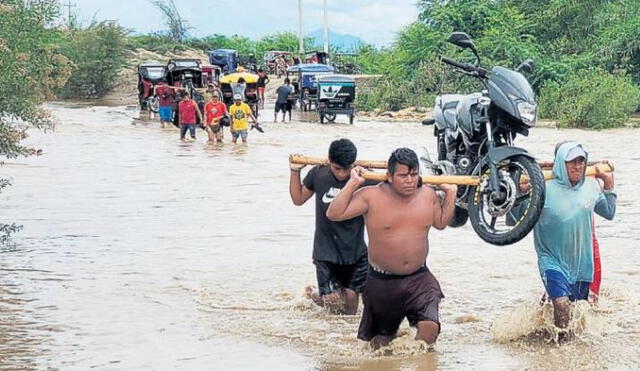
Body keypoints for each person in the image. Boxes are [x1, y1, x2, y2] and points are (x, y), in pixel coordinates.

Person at [326, 148, 457, 348]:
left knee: (430, 327)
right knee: (380, 344)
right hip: (381, 281)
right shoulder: (370, 196)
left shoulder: (428, 195)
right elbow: (334, 214)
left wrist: (451, 195)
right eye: (403, 176)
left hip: (419, 278)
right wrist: (353, 183)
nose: (410, 181)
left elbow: (440, 223)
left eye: (414, 175)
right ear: (389, 176)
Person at [532, 141, 615, 330]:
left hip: (581, 263)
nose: (578, 166)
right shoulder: (543, 188)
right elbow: (515, 221)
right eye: (572, 162)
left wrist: (609, 187)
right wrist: (522, 196)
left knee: (577, 311)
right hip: (551, 259)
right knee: (561, 304)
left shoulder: (591, 186)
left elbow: (609, 213)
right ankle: (560, 353)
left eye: (581, 161)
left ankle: (568, 347)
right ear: (561, 163)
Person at [289, 139, 374, 315]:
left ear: (354, 164)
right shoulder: (318, 174)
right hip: (325, 250)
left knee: (350, 305)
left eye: (346, 169)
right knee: (332, 302)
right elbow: (298, 199)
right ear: (329, 161)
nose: (342, 174)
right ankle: (313, 293)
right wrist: (294, 171)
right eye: (337, 168)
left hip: (355, 250)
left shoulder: (365, 180)